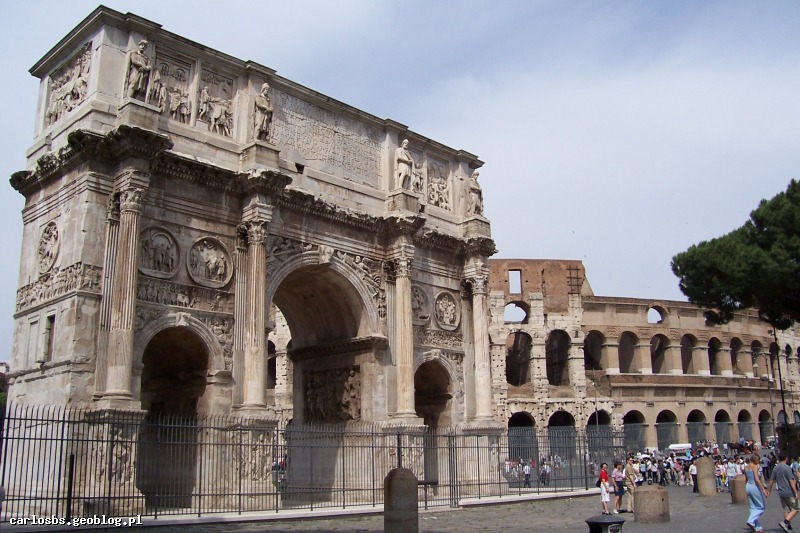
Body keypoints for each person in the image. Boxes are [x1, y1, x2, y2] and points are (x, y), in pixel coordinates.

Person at [768, 455, 798, 532]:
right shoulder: (787, 468)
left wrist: (769, 490)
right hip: (789, 491)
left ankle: (788, 527)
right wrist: (796, 492)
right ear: (786, 458)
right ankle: (785, 523)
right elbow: (791, 481)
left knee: (786, 509)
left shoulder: (775, 468)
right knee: (796, 508)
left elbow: (771, 480)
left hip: (781, 492)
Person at [746, 453, 769, 532]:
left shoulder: (746, 467)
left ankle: (758, 527)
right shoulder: (755, 466)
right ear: (755, 459)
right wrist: (763, 489)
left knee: (753, 507)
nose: (759, 461)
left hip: (748, 486)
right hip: (754, 486)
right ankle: (751, 521)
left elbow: (746, 478)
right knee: (761, 507)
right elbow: (756, 478)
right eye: (758, 460)